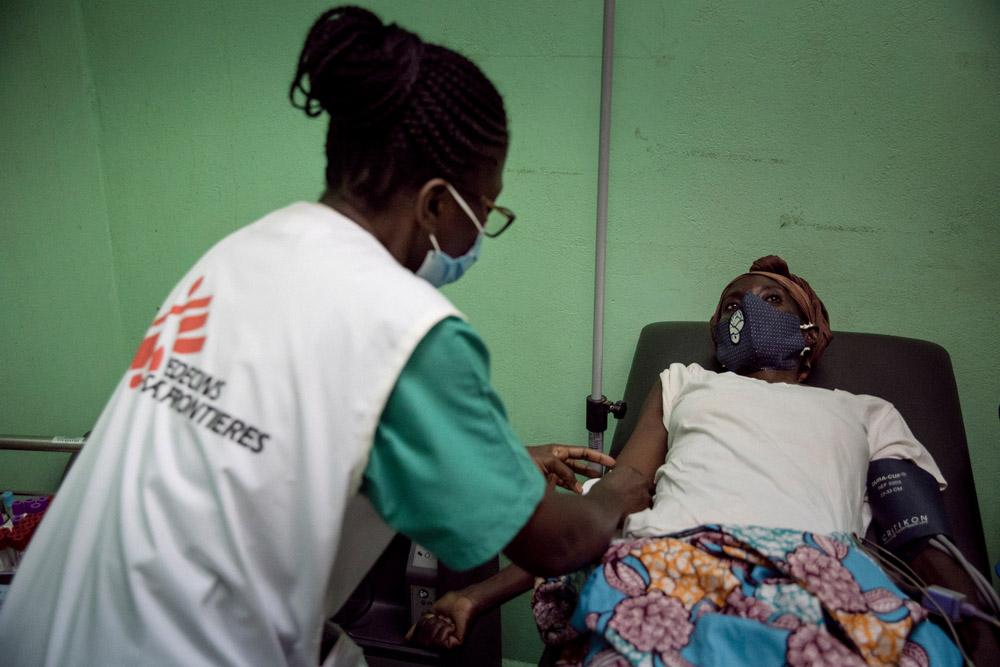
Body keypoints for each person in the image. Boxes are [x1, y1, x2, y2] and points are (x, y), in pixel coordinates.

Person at [0, 7, 649, 666]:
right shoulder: (405, 325)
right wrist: (614, 493)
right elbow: (551, 544)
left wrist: (502, 462)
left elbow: (279, 431)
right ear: (434, 204)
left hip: (40, 626)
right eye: (486, 209)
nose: (482, 232)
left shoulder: (241, 252)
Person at [409, 256, 998, 664]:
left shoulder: (865, 409)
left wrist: (981, 633)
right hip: (674, 557)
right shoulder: (687, 381)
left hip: (820, 573)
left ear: (811, 334)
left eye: (772, 300)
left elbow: (920, 533)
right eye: (734, 303)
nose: (748, 308)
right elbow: (625, 491)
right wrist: (473, 596)